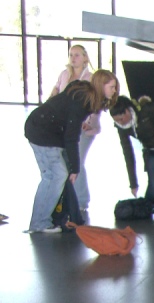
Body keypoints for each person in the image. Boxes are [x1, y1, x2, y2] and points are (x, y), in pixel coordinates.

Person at [25, 70, 118, 234]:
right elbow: (71, 136)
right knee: (56, 175)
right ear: (101, 86)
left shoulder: (82, 93)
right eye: (111, 87)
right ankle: (39, 223)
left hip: (41, 128)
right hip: (43, 132)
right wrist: (75, 168)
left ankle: (40, 222)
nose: (114, 91)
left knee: (53, 175)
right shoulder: (82, 101)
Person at [49, 45, 99, 212]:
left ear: (85, 57)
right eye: (71, 55)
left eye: (77, 55)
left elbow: (95, 102)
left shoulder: (91, 78)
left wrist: (90, 120)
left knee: (77, 160)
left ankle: (82, 200)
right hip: (66, 124)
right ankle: (67, 198)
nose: (73, 58)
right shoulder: (64, 74)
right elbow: (56, 91)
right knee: (67, 161)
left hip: (84, 126)